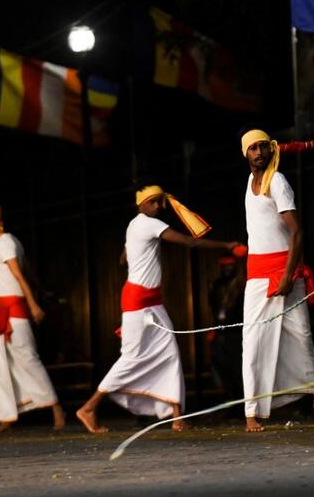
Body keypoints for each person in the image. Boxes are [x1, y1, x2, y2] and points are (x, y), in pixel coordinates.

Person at [76, 184, 237, 433]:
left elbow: (123, 257)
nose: (161, 207)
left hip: (151, 302)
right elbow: (188, 243)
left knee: (170, 353)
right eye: (156, 202)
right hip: (138, 302)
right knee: (132, 358)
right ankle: (89, 407)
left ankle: (176, 416)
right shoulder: (147, 224)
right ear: (142, 204)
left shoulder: (134, 225)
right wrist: (225, 246)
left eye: (161, 202)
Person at [240, 128, 314, 432]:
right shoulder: (250, 182)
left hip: (286, 273)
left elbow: (297, 232)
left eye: (262, 147)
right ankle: (251, 414)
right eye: (253, 148)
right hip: (258, 276)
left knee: (302, 336)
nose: (258, 153)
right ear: (246, 154)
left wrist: (286, 276)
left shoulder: (277, 181)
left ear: (271, 150)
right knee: (253, 340)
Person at [0, 198, 65, 432]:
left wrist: (34, 303)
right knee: (0, 364)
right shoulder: (5, 244)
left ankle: (56, 408)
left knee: (27, 358)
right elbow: (29, 271)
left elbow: (20, 275)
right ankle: (8, 415)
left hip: (14, 310)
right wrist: (41, 291)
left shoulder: (5, 241)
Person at [207, 254, 246, 410]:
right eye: (224, 266)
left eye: (230, 266)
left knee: (237, 368)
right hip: (220, 331)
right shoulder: (216, 285)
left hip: (237, 332)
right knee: (221, 367)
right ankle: (230, 404)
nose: (227, 269)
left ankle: (240, 405)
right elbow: (214, 309)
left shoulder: (240, 285)